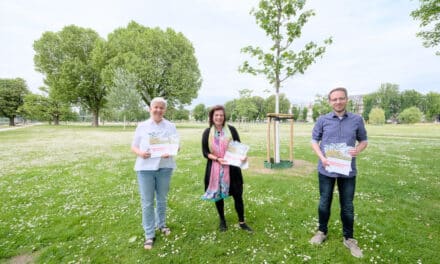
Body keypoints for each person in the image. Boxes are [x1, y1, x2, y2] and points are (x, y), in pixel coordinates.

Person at [310, 87, 368, 258]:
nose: (338, 102)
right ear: (330, 101)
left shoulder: (357, 120)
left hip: (347, 171)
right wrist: (322, 157)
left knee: (348, 206)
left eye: (341, 98)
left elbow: (364, 140)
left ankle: (349, 238)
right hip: (326, 169)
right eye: (334, 99)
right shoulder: (322, 120)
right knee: (324, 202)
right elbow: (314, 140)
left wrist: (358, 149)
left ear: (346, 99)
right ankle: (322, 232)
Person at [131, 97, 178, 250]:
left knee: (162, 199)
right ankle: (149, 234)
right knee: (147, 202)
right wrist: (140, 153)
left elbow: (177, 147)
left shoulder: (171, 126)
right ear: (150, 109)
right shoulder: (142, 126)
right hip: (145, 168)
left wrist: (170, 152)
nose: (158, 110)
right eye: (155, 107)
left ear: (165, 110)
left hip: (165, 167)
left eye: (161, 108)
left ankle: (162, 225)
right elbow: (134, 146)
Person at [201, 105, 253, 232]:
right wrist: (217, 159)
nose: (219, 117)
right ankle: (222, 220)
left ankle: (242, 222)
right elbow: (205, 152)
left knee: (238, 195)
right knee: (218, 196)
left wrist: (243, 157)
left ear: (224, 117)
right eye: (216, 115)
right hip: (215, 168)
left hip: (233, 168)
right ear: (212, 117)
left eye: (221, 115)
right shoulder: (207, 132)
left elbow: (239, 147)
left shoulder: (232, 130)